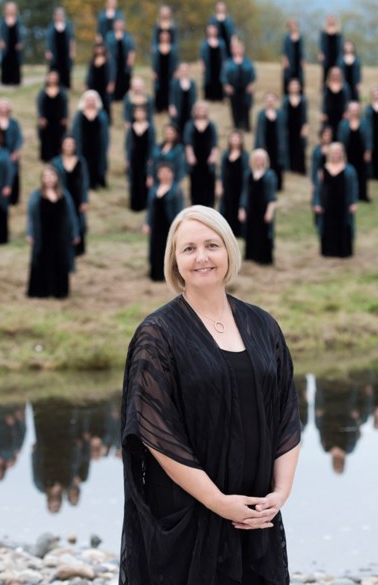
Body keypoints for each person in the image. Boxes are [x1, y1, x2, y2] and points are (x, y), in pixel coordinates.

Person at [119, 205, 301, 584]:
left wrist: (279, 494)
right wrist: (218, 502)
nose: (201, 257)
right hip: (188, 513)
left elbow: (286, 414)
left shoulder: (262, 325)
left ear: (229, 252)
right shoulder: (158, 334)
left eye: (211, 245)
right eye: (188, 249)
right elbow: (156, 434)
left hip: (255, 512)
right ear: (174, 260)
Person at [26, 166, 78, 299]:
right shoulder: (36, 196)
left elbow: (72, 216)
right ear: (42, 179)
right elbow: (30, 217)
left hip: (61, 236)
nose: (49, 179)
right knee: (42, 261)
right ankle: (41, 291)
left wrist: (75, 233)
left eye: (51, 176)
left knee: (60, 261)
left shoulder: (64, 195)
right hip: (42, 236)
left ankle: (59, 292)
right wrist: (30, 233)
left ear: (57, 178)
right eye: (46, 176)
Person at [313, 142, 358, 259]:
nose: (336, 155)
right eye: (334, 152)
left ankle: (343, 251)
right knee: (328, 226)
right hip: (327, 204)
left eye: (338, 152)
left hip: (343, 203)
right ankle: (328, 250)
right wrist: (317, 202)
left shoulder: (349, 170)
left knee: (344, 225)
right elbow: (318, 188)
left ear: (342, 153)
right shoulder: (323, 169)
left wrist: (353, 202)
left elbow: (354, 187)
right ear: (330, 154)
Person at [143, 162, 184, 282]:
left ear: (172, 174)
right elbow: (150, 209)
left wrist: (179, 226)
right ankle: (155, 274)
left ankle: (169, 276)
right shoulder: (153, 190)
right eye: (162, 172)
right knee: (155, 248)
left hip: (169, 225)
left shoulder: (176, 190)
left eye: (167, 172)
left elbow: (179, 210)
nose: (164, 174)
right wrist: (147, 223)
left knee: (168, 250)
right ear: (158, 174)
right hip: (155, 224)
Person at [51, 136, 89, 256]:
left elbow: (85, 182)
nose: (69, 146)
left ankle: (78, 249)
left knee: (78, 221)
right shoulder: (56, 162)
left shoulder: (81, 162)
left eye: (71, 144)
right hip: (61, 195)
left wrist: (84, 200)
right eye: (66, 144)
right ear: (62, 145)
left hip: (77, 197)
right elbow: (52, 180)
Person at [240, 149, 278, 266]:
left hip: (263, 208)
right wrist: (242, 208)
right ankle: (251, 256)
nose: (259, 161)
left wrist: (270, 211)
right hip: (251, 208)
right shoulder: (248, 174)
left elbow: (272, 196)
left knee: (264, 233)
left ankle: (263, 259)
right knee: (250, 232)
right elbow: (244, 193)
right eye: (257, 158)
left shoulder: (270, 175)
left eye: (262, 158)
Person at [71, 90, 110, 190]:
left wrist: (106, 144)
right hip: (83, 144)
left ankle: (97, 181)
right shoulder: (79, 115)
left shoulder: (102, 114)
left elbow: (105, 132)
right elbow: (75, 131)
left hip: (98, 145)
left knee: (98, 163)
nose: (90, 102)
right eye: (88, 100)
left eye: (92, 100)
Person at [184, 101, 219, 207]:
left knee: (209, 182)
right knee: (195, 183)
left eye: (203, 109)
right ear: (195, 111)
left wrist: (213, 156)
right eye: (199, 109)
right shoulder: (190, 125)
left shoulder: (211, 125)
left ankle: (209, 205)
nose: (201, 111)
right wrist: (190, 155)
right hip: (195, 159)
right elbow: (188, 142)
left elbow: (214, 143)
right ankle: (196, 204)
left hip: (208, 159)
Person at [0, 99, 23, 206]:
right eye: (1, 106)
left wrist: (16, 152)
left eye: (5, 106)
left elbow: (19, 138)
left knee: (13, 174)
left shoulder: (14, 123)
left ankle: (13, 199)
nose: (3, 109)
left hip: (11, 153)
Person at [338, 101, 372, 202]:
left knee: (362, 174)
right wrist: (341, 153)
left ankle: (362, 195)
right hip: (348, 153)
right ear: (348, 111)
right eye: (352, 110)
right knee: (348, 174)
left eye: (356, 110)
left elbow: (368, 137)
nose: (354, 112)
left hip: (361, 153)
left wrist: (368, 151)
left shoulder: (364, 123)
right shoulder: (343, 124)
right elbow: (340, 139)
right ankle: (348, 195)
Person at [255, 92, 288, 190]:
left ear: (275, 101)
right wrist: (260, 145)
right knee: (265, 164)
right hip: (265, 144)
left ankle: (278, 186)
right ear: (265, 102)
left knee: (278, 165)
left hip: (277, 144)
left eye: (272, 100)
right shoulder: (261, 114)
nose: (270, 102)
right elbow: (259, 131)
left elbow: (283, 130)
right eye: (268, 100)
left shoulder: (281, 114)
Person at [126, 104, 156, 212]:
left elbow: (152, 144)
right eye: (137, 112)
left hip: (146, 158)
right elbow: (128, 144)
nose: (139, 114)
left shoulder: (150, 127)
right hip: (134, 158)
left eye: (142, 112)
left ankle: (145, 205)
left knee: (145, 179)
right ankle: (135, 205)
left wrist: (151, 158)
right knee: (134, 180)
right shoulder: (131, 127)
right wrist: (128, 159)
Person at [223, 39, 256, 132]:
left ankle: (246, 126)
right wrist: (227, 85)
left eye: (239, 48)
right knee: (234, 107)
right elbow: (224, 75)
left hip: (246, 88)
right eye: (235, 48)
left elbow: (253, 74)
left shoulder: (247, 61)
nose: (237, 50)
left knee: (246, 106)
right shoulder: (228, 62)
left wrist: (251, 84)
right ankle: (236, 126)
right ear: (232, 50)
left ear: (243, 49)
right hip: (233, 89)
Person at [36, 70, 69, 163]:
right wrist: (40, 117)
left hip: (59, 120)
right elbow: (39, 105)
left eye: (55, 77)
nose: (53, 79)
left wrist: (65, 117)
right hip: (46, 120)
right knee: (46, 139)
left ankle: (58, 157)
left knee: (59, 138)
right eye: (51, 77)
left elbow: (65, 105)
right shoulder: (42, 92)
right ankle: (46, 158)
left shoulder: (62, 91)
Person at [219, 131, 247, 237]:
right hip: (227, 187)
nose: (235, 141)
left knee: (238, 206)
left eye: (237, 138)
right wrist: (219, 185)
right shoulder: (225, 154)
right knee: (226, 207)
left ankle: (238, 232)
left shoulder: (245, 156)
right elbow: (221, 171)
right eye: (233, 138)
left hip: (239, 186)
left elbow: (246, 173)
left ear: (241, 141)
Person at [106, 17, 136, 103]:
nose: (119, 26)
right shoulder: (109, 35)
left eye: (120, 24)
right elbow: (106, 48)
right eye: (117, 24)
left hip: (124, 62)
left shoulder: (127, 36)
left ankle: (124, 97)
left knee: (125, 79)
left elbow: (132, 49)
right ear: (114, 25)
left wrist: (131, 59)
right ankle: (114, 97)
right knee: (113, 78)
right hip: (113, 61)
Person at [282, 78, 308, 175]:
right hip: (289, 127)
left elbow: (304, 116)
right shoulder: (285, 100)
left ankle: (299, 168)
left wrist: (305, 127)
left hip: (299, 127)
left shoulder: (303, 100)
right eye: (292, 85)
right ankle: (289, 167)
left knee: (299, 147)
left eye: (296, 85)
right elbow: (283, 115)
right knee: (289, 147)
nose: (294, 87)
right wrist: (284, 128)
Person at [45, 7, 75, 89]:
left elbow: (71, 40)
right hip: (55, 52)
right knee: (54, 69)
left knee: (66, 69)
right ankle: (52, 85)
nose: (59, 16)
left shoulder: (68, 26)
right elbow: (47, 40)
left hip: (65, 52)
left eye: (61, 15)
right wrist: (48, 51)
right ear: (54, 16)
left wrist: (72, 51)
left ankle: (66, 86)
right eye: (57, 15)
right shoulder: (51, 27)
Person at [84, 42, 114, 121]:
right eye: (97, 48)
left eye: (101, 48)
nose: (99, 50)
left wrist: (111, 83)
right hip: (94, 84)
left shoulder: (108, 60)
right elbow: (89, 73)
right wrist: (86, 83)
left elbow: (111, 72)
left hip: (104, 85)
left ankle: (107, 119)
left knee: (106, 102)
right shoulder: (92, 60)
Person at [199, 24, 228, 102]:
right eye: (210, 30)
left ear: (216, 31)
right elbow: (201, 56)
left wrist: (224, 65)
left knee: (220, 80)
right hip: (209, 65)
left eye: (213, 30)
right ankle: (209, 97)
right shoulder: (204, 43)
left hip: (218, 65)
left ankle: (220, 97)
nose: (211, 32)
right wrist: (202, 65)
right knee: (208, 80)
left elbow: (224, 55)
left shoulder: (221, 42)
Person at [169, 62, 197, 142]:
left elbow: (194, 96)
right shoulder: (174, 83)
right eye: (182, 70)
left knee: (189, 126)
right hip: (178, 109)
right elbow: (171, 96)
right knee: (177, 127)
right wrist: (172, 106)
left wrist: (194, 108)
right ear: (179, 71)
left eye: (185, 70)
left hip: (189, 109)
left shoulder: (192, 83)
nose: (184, 71)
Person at [152, 30, 179, 114]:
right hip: (159, 72)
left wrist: (176, 71)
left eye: (166, 36)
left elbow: (176, 60)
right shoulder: (156, 47)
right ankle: (159, 108)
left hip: (169, 72)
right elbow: (153, 61)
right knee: (159, 89)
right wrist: (154, 71)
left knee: (170, 88)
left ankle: (169, 107)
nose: (164, 37)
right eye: (162, 36)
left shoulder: (173, 48)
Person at [321, 66, 350, 140]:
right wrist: (323, 113)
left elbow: (347, 100)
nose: (335, 76)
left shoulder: (345, 87)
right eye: (333, 74)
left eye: (337, 74)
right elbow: (324, 101)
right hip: (329, 115)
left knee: (341, 133)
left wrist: (346, 112)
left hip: (341, 115)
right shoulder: (326, 86)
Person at [0, 2, 22, 86]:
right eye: (9, 9)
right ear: (6, 10)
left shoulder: (18, 20)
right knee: (5, 62)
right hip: (6, 45)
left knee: (15, 62)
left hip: (15, 44)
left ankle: (15, 81)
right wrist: (0, 41)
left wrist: (20, 42)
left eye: (13, 9)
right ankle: (5, 81)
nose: (11, 11)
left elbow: (21, 32)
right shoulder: (3, 20)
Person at [318, 14, 343, 85]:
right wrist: (321, 53)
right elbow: (321, 43)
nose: (330, 21)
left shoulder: (339, 31)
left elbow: (340, 43)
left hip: (336, 54)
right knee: (326, 72)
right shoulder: (323, 31)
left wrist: (342, 53)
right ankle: (324, 89)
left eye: (332, 19)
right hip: (327, 55)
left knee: (337, 72)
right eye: (329, 19)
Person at [281, 18, 305, 94]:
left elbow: (302, 49)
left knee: (299, 80)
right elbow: (284, 50)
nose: (293, 26)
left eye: (295, 24)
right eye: (292, 24)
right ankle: (287, 97)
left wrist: (303, 60)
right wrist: (285, 60)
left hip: (298, 61)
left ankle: (300, 97)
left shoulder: (300, 37)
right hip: (289, 61)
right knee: (288, 79)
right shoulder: (286, 37)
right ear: (289, 26)